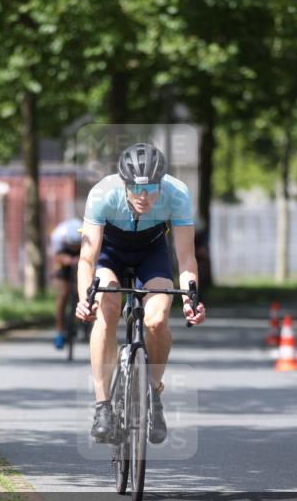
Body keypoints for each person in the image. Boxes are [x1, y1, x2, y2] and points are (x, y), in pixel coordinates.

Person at [74, 143, 207, 445]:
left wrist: (191, 299)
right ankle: (102, 406)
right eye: (135, 188)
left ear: (163, 181)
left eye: (151, 188)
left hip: (152, 252)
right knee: (106, 310)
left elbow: (186, 258)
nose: (144, 196)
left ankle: (153, 392)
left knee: (157, 320)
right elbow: (87, 258)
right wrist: (86, 299)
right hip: (111, 253)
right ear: (124, 183)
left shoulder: (178, 193)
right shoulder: (102, 194)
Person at [49, 217, 84, 349]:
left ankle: (82, 323)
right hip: (64, 257)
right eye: (72, 246)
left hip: (84, 253)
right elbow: (57, 255)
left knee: (81, 290)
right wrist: (66, 259)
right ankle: (60, 331)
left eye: (76, 246)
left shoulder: (87, 233)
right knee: (63, 294)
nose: (74, 247)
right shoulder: (57, 235)